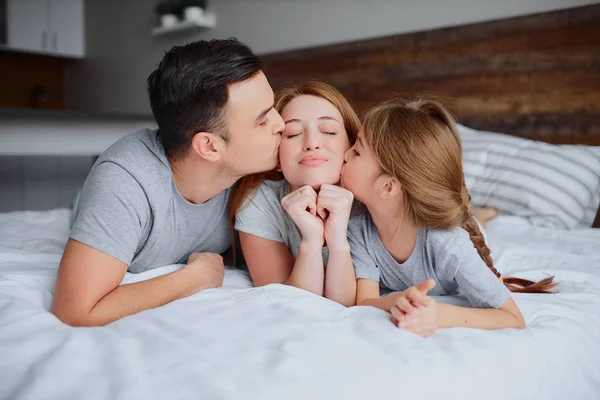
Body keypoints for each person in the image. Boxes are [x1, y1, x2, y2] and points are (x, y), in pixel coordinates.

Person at [51, 39, 285, 326]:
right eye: (263, 121)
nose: (281, 124)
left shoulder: (258, 165)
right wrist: (195, 278)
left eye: (273, 108)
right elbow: (74, 309)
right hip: (103, 203)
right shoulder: (125, 181)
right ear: (209, 147)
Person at [341, 98, 557, 336]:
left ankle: (480, 218)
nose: (344, 153)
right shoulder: (357, 226)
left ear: (388, 187)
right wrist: (394, 301)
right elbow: (365, 301)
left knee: (472, 227)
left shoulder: (448, 244)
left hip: (454, 232)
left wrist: (441, 315)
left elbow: (513, 318)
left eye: (357, 151)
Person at [230, 82, 360, 306]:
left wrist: (336, 239)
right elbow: (288, 305)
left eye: (328, 131)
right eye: (292, 134)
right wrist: (310, 241)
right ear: (277, 158)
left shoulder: (370, 198)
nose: (311, 144)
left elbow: (350, 304)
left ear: (351, 146)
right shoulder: (259, 202)